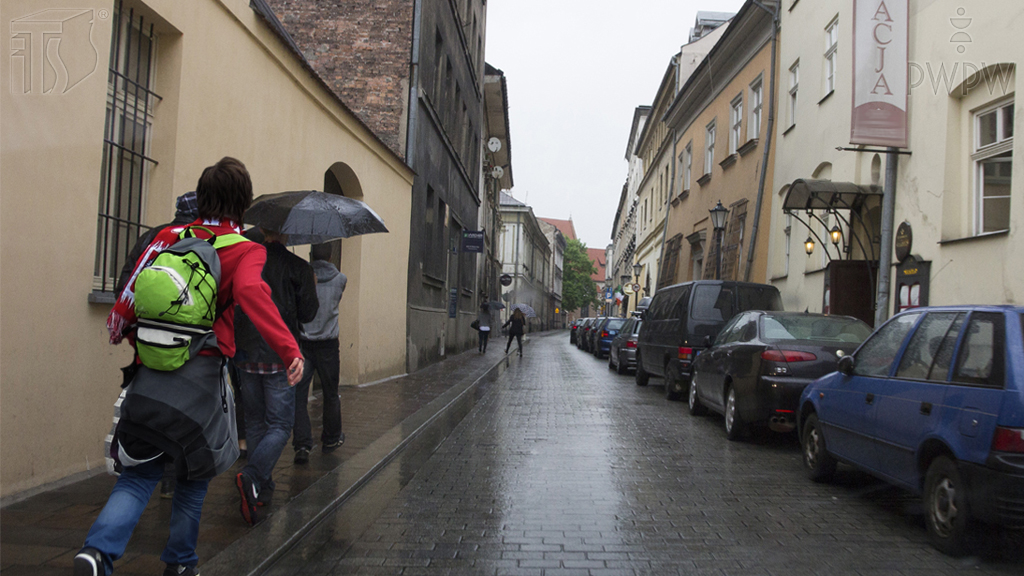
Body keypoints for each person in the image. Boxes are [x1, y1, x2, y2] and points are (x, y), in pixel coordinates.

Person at [76, 157, 304, 576]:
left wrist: (128, 338)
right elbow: (253, 294)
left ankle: (97, 552)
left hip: (149, 374)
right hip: (201, 381)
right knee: (193, 477)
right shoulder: (244, 250)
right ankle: (180, 563)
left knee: (138, 475)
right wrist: (290, 351)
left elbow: (130, 300)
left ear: (202, 197)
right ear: (244, 203)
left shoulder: (166, 236)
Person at [113, 192, 200, 501]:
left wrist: (135, 324)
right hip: (185, 341)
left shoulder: (152, 238)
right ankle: (170, 477)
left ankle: (130, 461)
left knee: (142, 399)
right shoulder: (200, 241)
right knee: (179, 408)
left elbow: (125, 283)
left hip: (146, 337)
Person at [233, 228, 318, 522]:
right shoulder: (299, 268)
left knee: (255, 422)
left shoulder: (246, 259)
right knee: (281, 424)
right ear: (286, 234)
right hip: (280, 353)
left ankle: (262, 488)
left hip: (245, 352)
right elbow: (309, 314)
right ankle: (253, 475)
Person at [292, 243, 347, 465]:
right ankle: (331, 439)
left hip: (304, 343)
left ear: (311, 255)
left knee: (299, 395)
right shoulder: (340, 279)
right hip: (328, 344)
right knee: (331, 393)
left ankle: (302, 444)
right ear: (331, 256)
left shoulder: (302, 276)